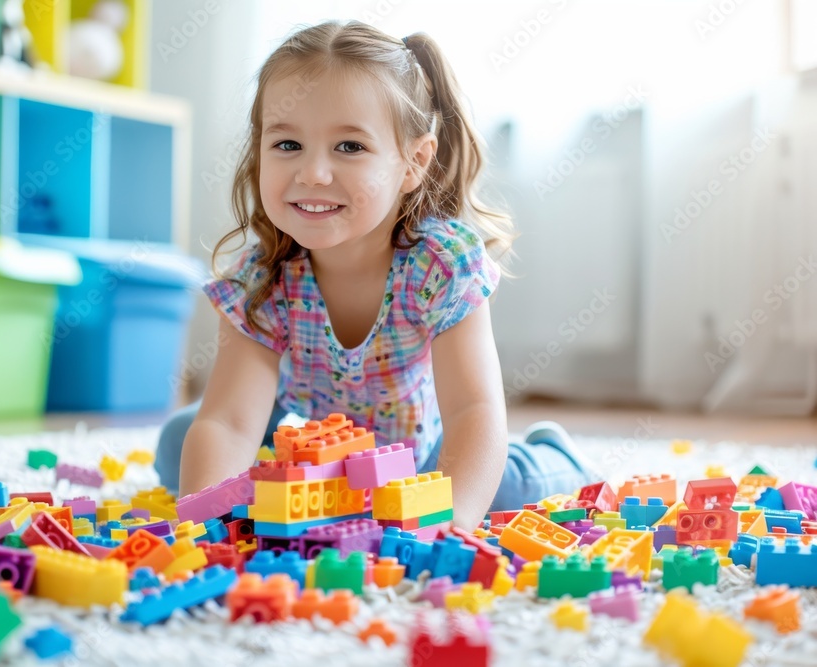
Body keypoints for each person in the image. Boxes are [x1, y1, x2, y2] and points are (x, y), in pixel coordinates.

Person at [155, 20, 594, 530]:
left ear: (413, 163)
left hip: (414, 454)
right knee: (179, 443)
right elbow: (230, 421)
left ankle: (553, 453)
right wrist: (205, 527)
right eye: (287, 145)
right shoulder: (262, 278)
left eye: (349, 147)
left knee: (497, 485)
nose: (313, 173)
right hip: (308, 441)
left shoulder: (438, 266)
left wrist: (451, 522)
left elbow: (474, 412)